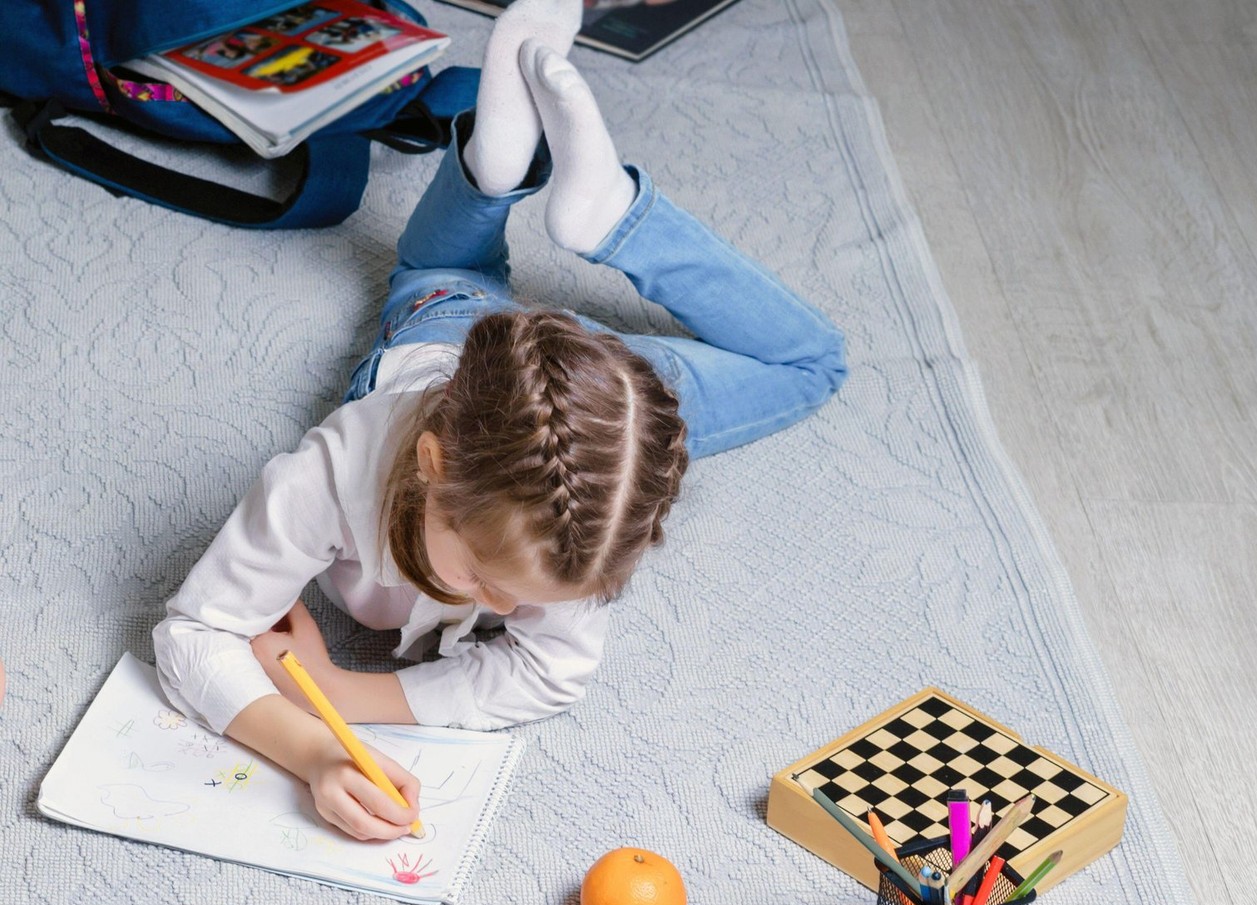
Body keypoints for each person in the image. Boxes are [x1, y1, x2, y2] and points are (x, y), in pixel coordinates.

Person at [153, 0, 846, 843]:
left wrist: (343, 693)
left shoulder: (606, 489)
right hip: (447, 325)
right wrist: (313, 750)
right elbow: (194, 630)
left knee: (812, 364)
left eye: (520, 596)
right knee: (442, 268)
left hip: (614, 388)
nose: (502, 607)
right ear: (433, 466)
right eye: (487, 577)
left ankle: (611, 210)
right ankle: (491, 167)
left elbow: (550, 674)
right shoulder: (333, 475)